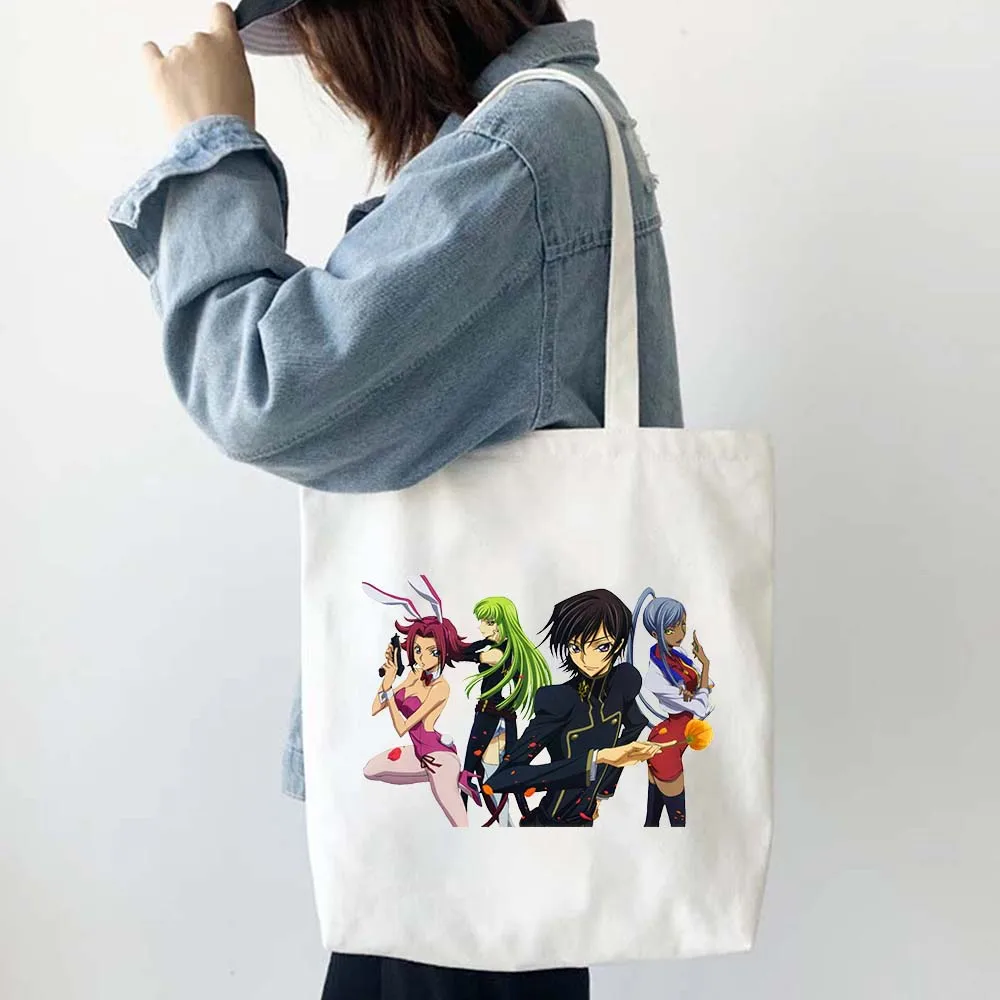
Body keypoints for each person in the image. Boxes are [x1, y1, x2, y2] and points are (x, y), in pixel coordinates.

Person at [108, 0, 683, 996]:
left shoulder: (522, 155)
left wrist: (212, 146)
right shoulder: (540, 134)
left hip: (471, 818)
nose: (323, 65)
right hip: (494, 798)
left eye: (315, 30)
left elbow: (265, 385)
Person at [484, 588, 662, 825]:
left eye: (601, 647)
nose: (586, 660)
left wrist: (601, 792)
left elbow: (635, 724)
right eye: (575, 648)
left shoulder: (623, 681)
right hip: (550, 823)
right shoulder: (559, 700)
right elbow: (503, 778)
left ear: (618, 644)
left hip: (585, 819)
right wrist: (597, 759)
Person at [456, 595, 552, 825]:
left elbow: (466, 654)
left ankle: (505, 824)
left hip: (492, 719)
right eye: (482, 622)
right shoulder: (507, 650)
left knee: (476, 775)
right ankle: (512, 821)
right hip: (499, 720)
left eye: (489, 622)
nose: (482, 628)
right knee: (490, 775)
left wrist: (464, 645)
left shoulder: (500, 653)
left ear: (504, 623)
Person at [630, 589, 715, 827]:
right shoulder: (655, 677)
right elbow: (700, 708)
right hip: (668, 745)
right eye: (670, 629)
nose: (680, 633)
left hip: (671, 737)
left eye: (683, 625)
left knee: (653, 821)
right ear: (654, 633)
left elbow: (706, 686)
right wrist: (705, 666)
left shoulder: (677, 654)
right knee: (677, 825)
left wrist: (703, 672)